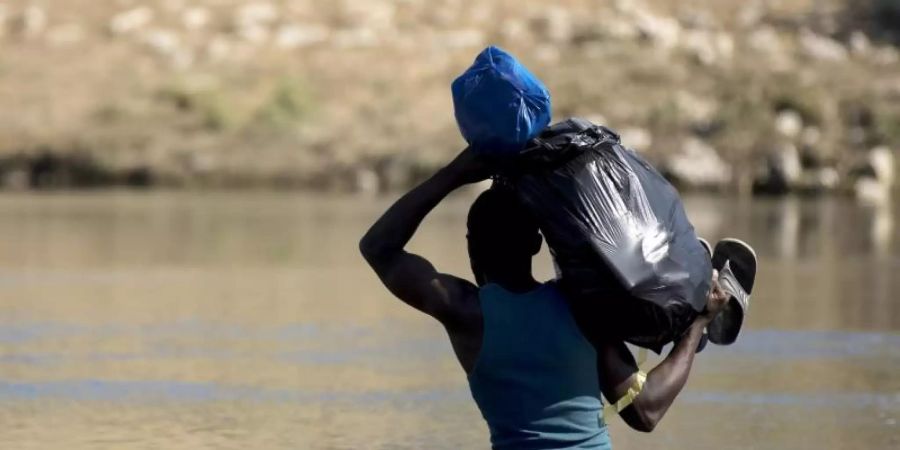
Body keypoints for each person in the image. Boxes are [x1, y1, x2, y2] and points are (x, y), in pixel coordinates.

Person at [360, 148, 729, 449]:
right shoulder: (580, 304)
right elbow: (646, 411)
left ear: (471, 247)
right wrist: (696, 327)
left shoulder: (466, 311)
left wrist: (456, 172)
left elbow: (378, 247)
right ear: (538, 244)